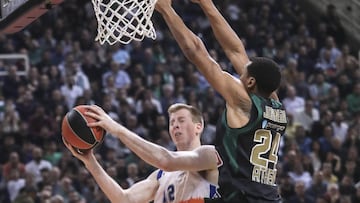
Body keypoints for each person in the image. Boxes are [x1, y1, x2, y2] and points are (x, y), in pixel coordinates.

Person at [154, 0, 287, 202]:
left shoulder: (243, 102)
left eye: (243, 75)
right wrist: (207, 4)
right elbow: (236, 51)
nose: (238, 77)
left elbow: (197, 53)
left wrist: (166, 9)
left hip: (241, 197)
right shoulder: (276, 106)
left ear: (251, 81)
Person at [64, 103, 222, 203]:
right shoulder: (161, 176)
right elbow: (124, 199)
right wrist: (90, 162)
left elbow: (166, 160)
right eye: (172, 122)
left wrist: (116, 129)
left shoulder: (208, 155)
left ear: (199, 127)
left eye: (181, 120)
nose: (175, 126)